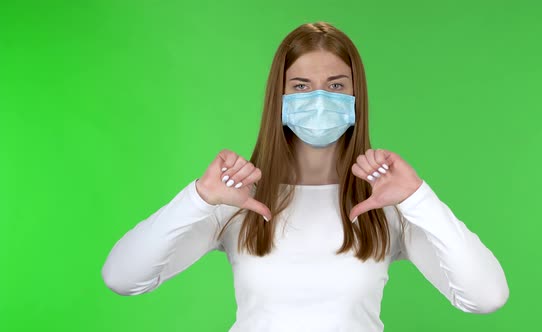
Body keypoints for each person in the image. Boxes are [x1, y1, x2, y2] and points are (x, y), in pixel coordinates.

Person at [101, 21, 509, 331]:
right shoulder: (239, 200)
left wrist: (418, 198)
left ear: (355, 96)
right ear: (279, 97)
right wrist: (199, 198)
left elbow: (485, 297)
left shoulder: (383, 204)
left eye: (335, 85)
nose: (319, 98)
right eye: (301, 85)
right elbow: (123, 277)